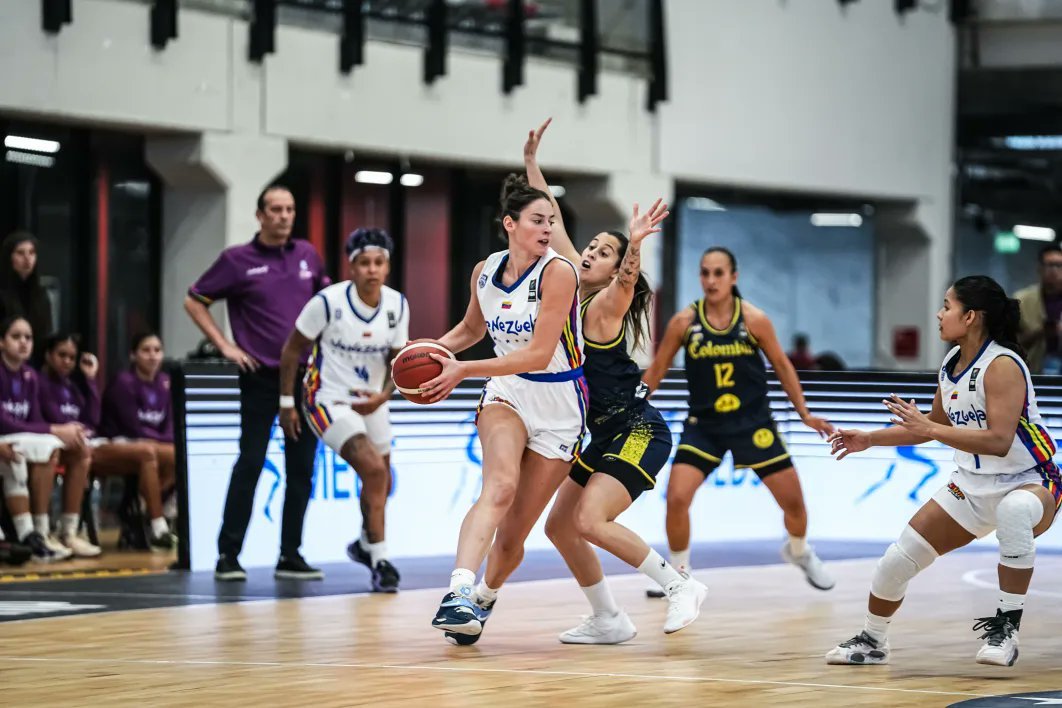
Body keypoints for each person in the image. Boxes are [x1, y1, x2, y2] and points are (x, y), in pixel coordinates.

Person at [519, 118, 705, 643]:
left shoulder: (604, 306)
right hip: (601, 434)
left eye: (603, 252)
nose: (589, 252)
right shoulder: (570, 288)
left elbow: (625, 284)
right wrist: (532, 163)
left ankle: (679, 585)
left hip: (637, 430)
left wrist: (634, 245)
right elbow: (553, 219)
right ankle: (608, 618)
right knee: (559, 526)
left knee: (590, 521)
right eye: (592, 246)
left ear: (616, 269)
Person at [826, 276, 1059, 667]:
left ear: (970, 317)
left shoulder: (1002, 365)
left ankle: (1005, 631)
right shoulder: (952, 362)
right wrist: (869, 439)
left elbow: (999, 441)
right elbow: (931, 425)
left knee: (1014, 511)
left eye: (947, 306)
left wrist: (930, 429)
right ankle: (873, 640)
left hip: (1030, 481)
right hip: (969, 487)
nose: (938, 313)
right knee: (896, 561)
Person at [424, 172, 587, 644]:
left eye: (552, 220)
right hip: (507, 392)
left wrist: (462, 369)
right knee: (499, 486)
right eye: (538, 220)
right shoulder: (485, 271)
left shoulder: (559, 272)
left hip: (560, 403)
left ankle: (484, 596)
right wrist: (428, 353)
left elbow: (538, 354)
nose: (548, 228)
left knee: (513, 536)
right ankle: (457, 592)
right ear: (510, 224)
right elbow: (470, 331)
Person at [642, 247, 836, 596]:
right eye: (705, 272)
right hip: (705, 426)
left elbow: (783, 366)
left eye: (718, 273)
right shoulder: (684, 322)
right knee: (676, 497)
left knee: (794, 503)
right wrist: (631, 407)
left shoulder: (754, 320)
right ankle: (679, 574)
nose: (711, 280)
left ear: (733, 277)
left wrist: (804, 413)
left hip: (753, 423)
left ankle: (799, 551)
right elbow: (657, 369)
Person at [185, 184, 329, 581]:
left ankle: (290, 555)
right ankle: (228, 555)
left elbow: (327, 304)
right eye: (276, 209)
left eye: (289, 209)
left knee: (302, 468)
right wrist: (224, 346)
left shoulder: (307, 255)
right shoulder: (237, 260)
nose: (283, 216)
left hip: (304, 378)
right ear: (260, 215)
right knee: (250, 462)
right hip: (260, 376)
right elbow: (194, 300)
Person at [279, 228, 407, 593]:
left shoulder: (398, 305)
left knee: (383, 480)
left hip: (373, 401)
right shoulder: (327, 302)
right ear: (351, 267)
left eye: (378, 262)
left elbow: (398, 360)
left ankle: (365, 543)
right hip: (327, 399)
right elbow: (291, 350)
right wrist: (286, 402)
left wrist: (385, 396)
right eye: (364, 263)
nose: (372, 269)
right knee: (374, 470)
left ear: (387, 267)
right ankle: (381, 561)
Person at [0, 316, 81, 561]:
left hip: (13, 438)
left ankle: (39, 532)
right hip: (4, 436)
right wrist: (54, 429)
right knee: (17, 454)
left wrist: (53, 431)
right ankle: (27, 534)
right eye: (16, 337)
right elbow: (4, 422)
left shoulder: (30, 376)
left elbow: (33, 419)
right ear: (1, 342)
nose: (23, 342)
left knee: (49, 446)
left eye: (28, 337)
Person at [97, 333, 178, 552]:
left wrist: (167, 441)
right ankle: (157, 522)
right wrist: (164, 442)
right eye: (146, 350)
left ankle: (148, 506)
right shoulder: (123, 382)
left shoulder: (165, 382)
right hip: (119, 441)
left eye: (157, 350)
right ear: (133, 355)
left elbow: (170, 425)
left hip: (153, 443)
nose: (152, 356)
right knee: (157, 452)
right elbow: (132, 427)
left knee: (181, 455)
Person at [37, 333, 102, 557]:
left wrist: (90, 379)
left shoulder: (71, 387)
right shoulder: (39, 382)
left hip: (68, 445)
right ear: (48, 355)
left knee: (82, 453)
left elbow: (92, 420)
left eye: (72, 357)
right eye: (61, 355)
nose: (67, 361)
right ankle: (42, 531)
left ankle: (69, 532)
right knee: (59, 451)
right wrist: (72, 430)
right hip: (43, 445)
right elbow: (51, 417)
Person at [0, 232, 53, 360]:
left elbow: (46, 334)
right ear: (9, 257)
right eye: (20, 253)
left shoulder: (41, 294)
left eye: (32, 252)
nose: (27, 258)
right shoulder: (2, 292)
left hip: (34, 362)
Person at [1014, 244, 1062, 374]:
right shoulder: (1021, 300)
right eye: (1050, 265)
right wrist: (1040, 332)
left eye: (1059, 265)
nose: (1054, 270)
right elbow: (1009, 341)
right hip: (1031, 370)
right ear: (1040, 268)